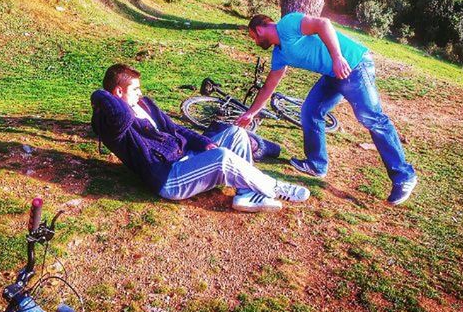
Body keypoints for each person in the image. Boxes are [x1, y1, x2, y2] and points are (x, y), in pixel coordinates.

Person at [235, 13, 417, 205]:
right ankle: (316, 164)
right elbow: (268, 87)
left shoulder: (287, 25)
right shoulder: (279, 54)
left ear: (259, 29)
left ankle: (404, 176)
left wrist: (337, 57)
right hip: (333, 75)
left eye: (253, 37)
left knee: (371, 118)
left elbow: (323, 23)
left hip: (354, 65)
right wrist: (251, 113)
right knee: (311, 111)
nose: (255, 42)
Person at [91, 63, 310, 212]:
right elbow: (120, 113)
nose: (140, 93)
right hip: (169, 177)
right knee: (223, 158)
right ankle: (275, 188)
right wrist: (100, 93)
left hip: (188, 157)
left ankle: (246, 194)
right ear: (119, 93)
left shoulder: (144, 104)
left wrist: (203, 142)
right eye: (135, 89)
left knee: (236, 133)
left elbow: (175, 128)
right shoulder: (108, 122)